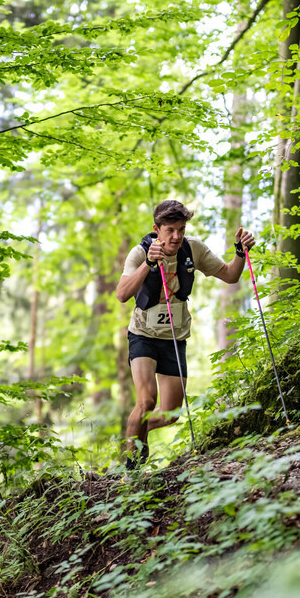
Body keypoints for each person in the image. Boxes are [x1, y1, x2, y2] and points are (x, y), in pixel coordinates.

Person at [115, 200, 255, 468]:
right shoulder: (138, 253)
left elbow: (230, 276)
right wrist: (148, 263)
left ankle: (135, 434)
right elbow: (122, 294)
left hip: (175, 339)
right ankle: (127, 472)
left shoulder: (193, 249)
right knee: (146, 400)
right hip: (143, 335)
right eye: (170, 230)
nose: (176, 236)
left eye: (181, 229)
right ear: (157, 229)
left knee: (170, 414)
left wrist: (240, 252)